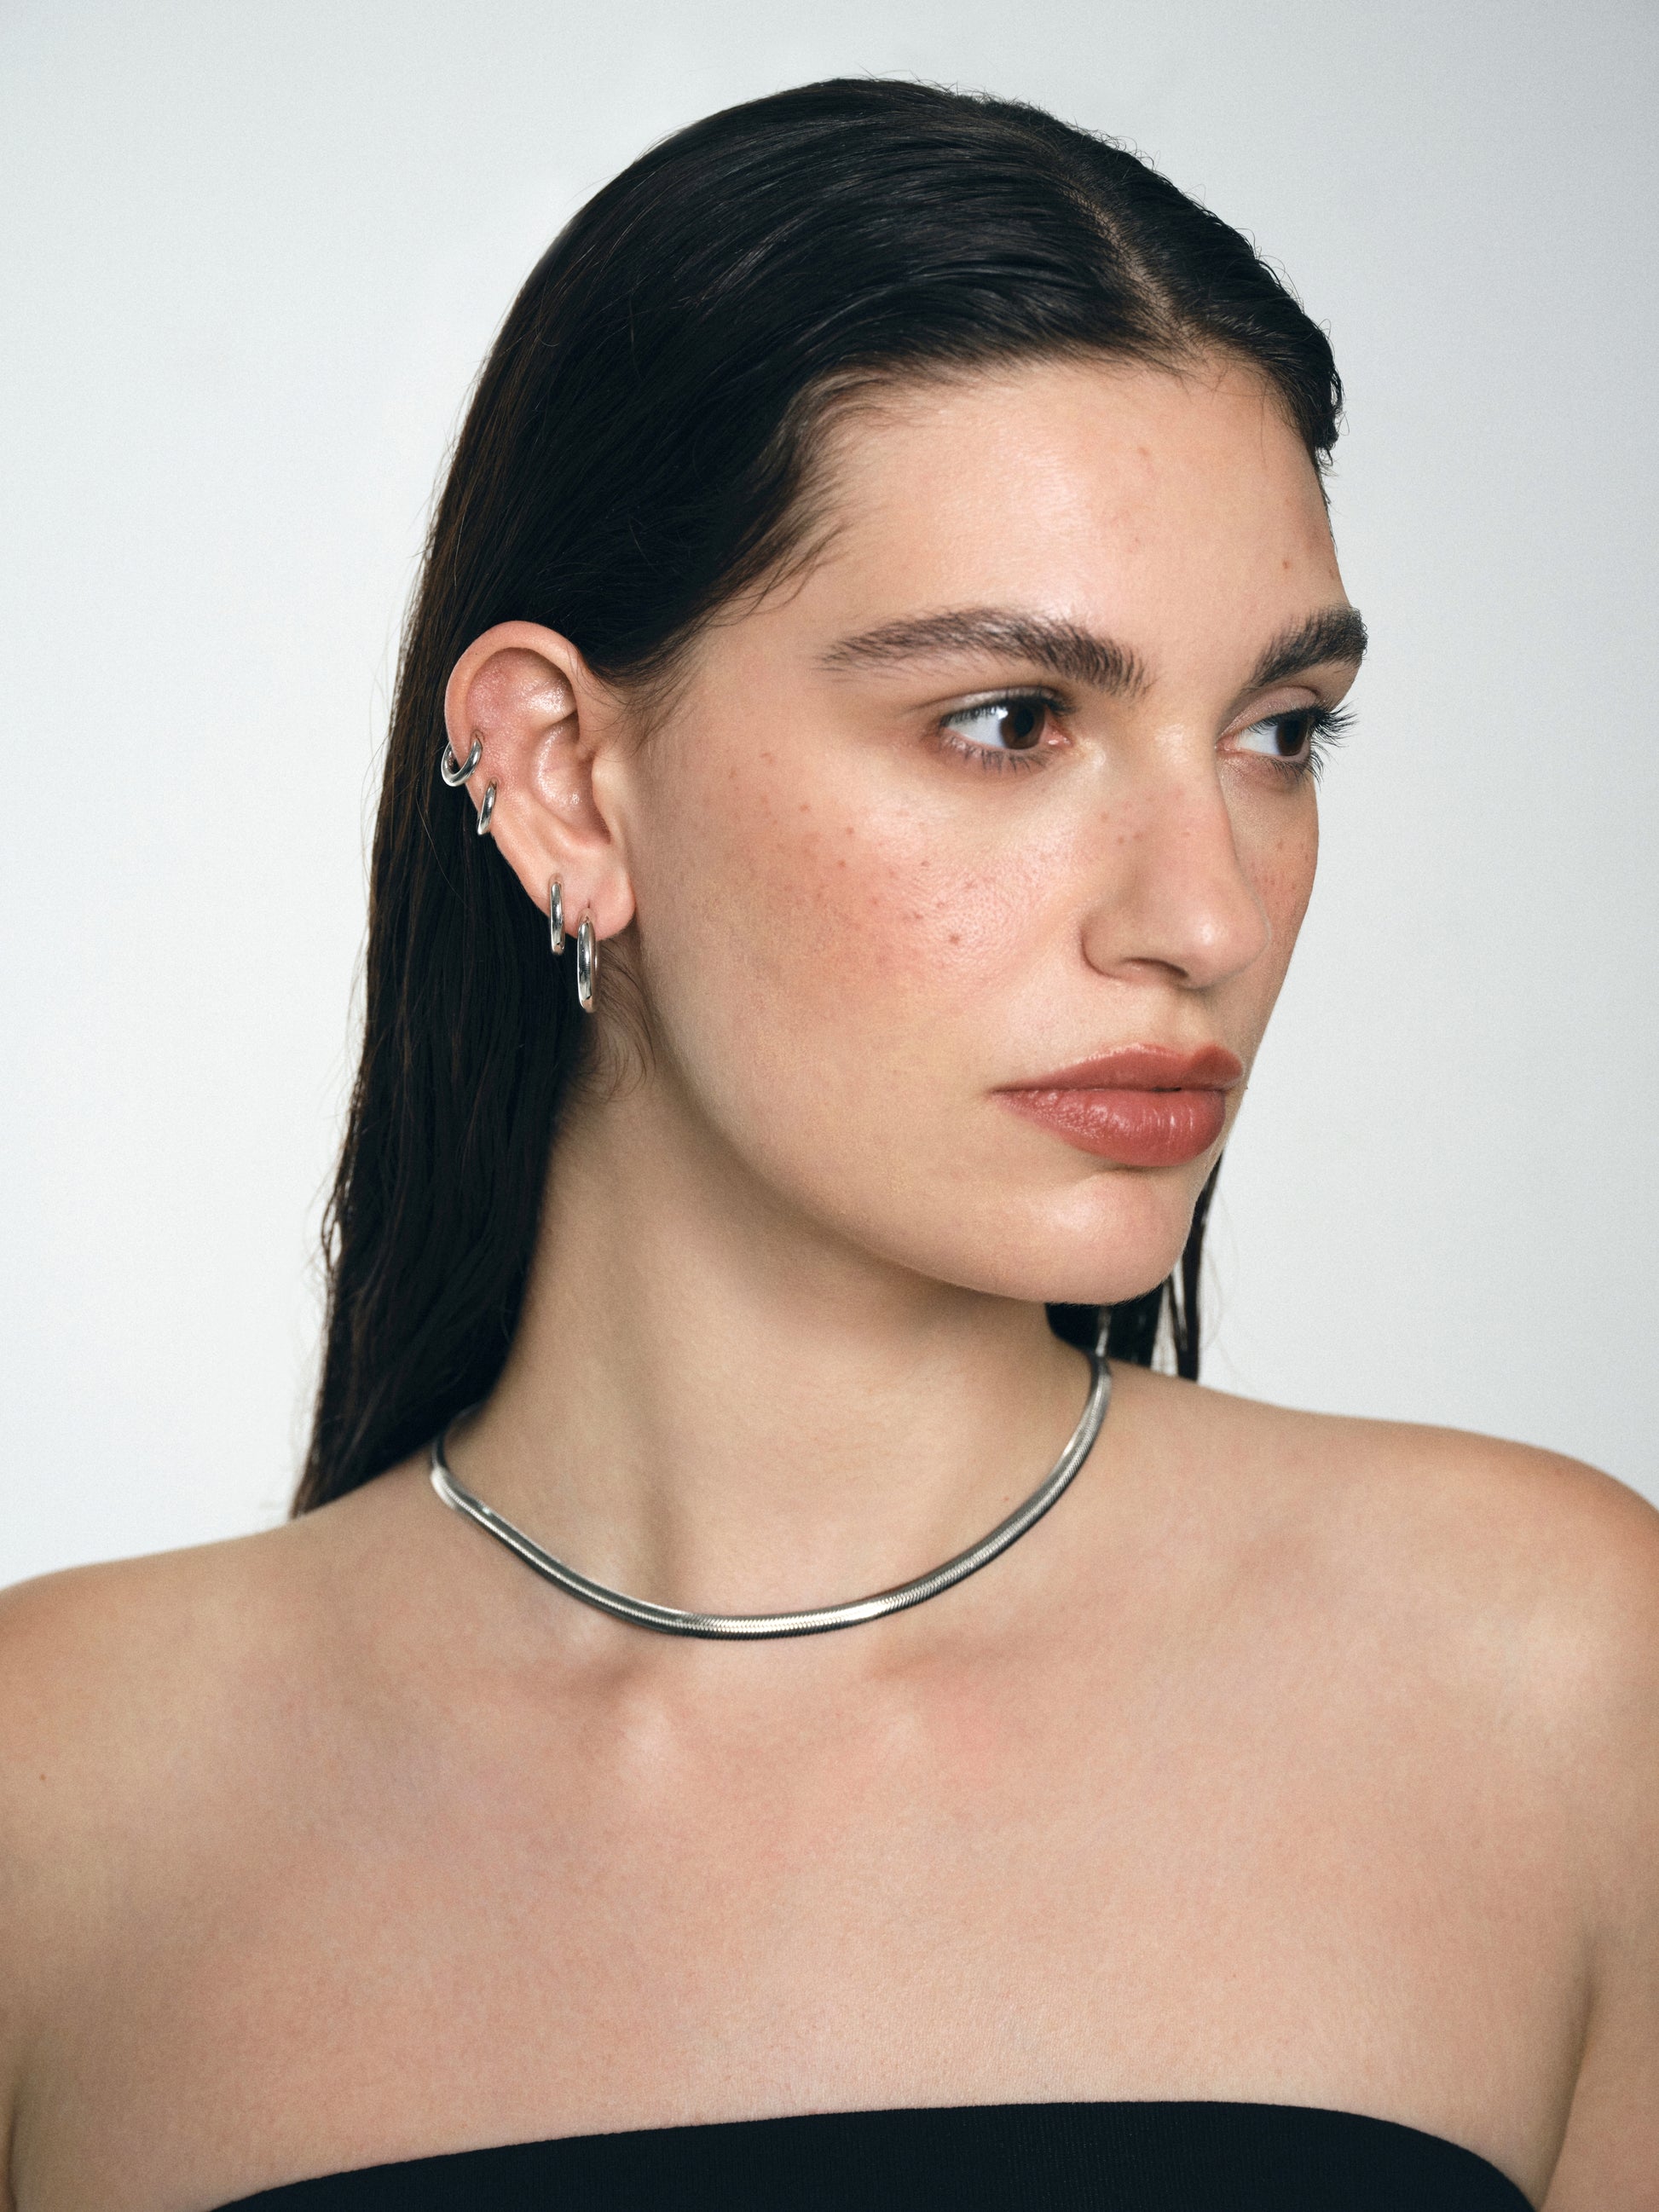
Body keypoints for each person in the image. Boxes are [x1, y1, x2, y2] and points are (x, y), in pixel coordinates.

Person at [1, 77, 1654, 2212]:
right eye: (1011, 720)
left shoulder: (1556, 1680)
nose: (1209, 911)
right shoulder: (62, 1796)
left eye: (1277, 733)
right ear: (565, 782)